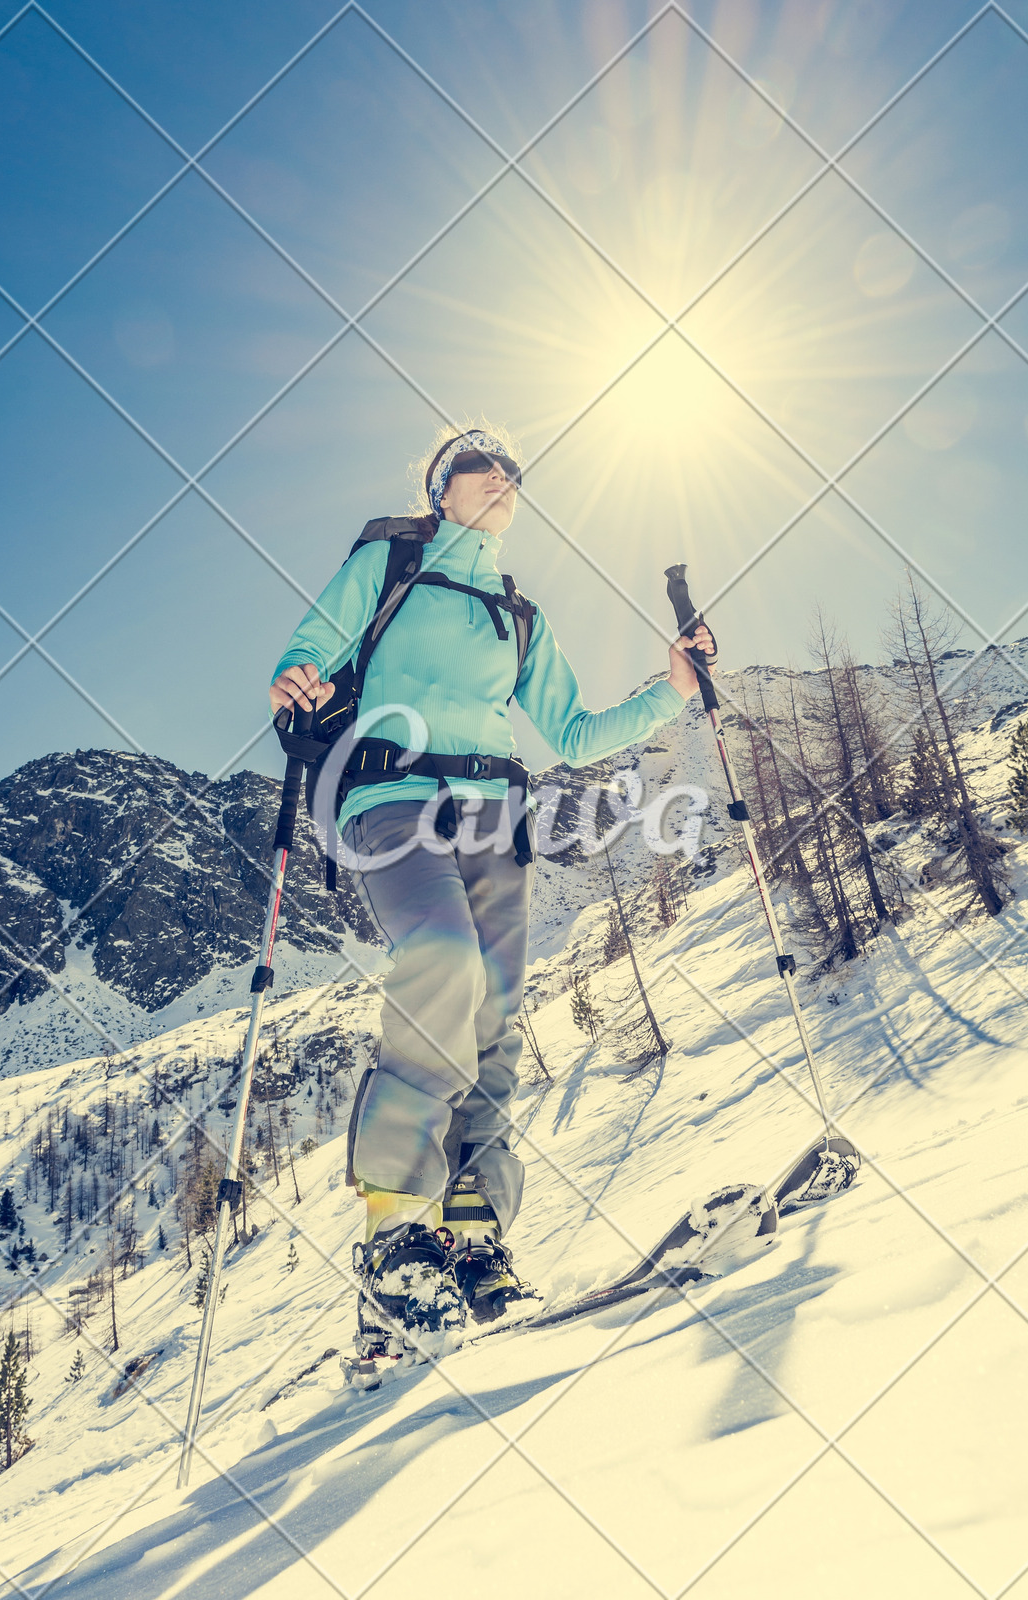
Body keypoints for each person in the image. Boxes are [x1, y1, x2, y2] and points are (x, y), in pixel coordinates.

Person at [270, 426, 715, 1361]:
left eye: (512, 468)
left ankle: (474, 1244)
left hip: (493, 820)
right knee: (441, 962)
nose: (502, 475)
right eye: (481, 462)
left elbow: (578, 730)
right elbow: (313, 644)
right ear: (441, 487)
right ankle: (395, 1237)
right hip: (391, 801)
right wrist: (295, 679)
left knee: (496, 1020)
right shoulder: (388, 563)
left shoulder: (519, 615)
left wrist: (670, 689)